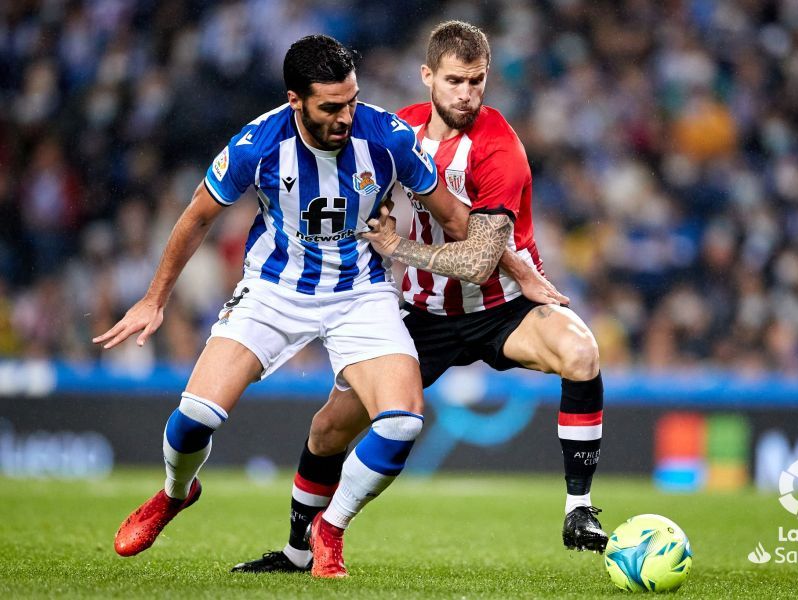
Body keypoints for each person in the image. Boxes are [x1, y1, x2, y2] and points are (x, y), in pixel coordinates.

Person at [95, 34, 545, 579]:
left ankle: (329, 528)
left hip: (361, 293)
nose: (345, 117)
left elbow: (457, 219)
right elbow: (197, 216)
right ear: (296, 101)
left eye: (351, 101)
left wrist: (519, 268)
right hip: (274, 289)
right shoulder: (258, 144)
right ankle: (175, 492)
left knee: (402, 423)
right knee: (196, 418)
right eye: (331, 107)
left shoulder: (389, 137)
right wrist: (154, 299)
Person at [233, 21, 608, 575]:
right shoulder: (395, 130)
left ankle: (579, 509)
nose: (467, 94)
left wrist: (400, 247)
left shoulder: (501, 149)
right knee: (329, 428)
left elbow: (477, 262)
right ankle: (296, 551)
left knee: (581, 351)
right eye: (455, 81)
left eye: (477, 81)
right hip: (419, 312)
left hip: (501, 307)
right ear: (427, 76)